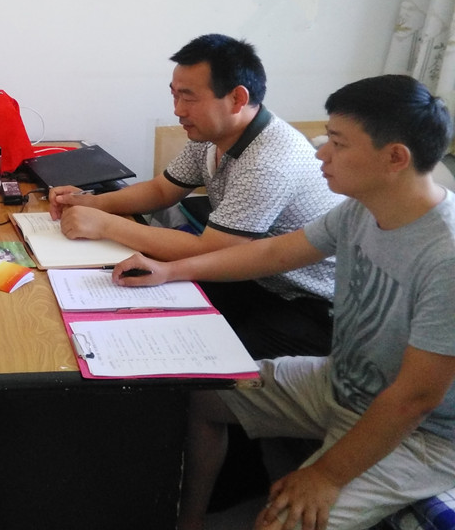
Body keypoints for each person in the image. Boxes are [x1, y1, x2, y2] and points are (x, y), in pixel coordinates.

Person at [112, 74, 455, 530]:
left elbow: (415, 397)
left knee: (282, 521)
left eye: (338, 143)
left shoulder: (445, 254)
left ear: (395, 158)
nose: (320, 154)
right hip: (341, 381)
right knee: (200, 396)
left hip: (419, 433)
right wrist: (170, 271)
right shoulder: (361, 208)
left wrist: (326, 476)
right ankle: (189, 522)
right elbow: (274, 253)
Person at [49, 33, 343, 360]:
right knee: (128, 304)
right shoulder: (211, 135)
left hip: (305, 303)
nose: (177, 110)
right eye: (174, 95)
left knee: (191, 354)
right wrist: (91, 202)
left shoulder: (270, 161)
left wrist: (106, 225)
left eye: (188, 98)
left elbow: (213, 249)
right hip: (252, 278)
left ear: (237, 98)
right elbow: (162, 189)